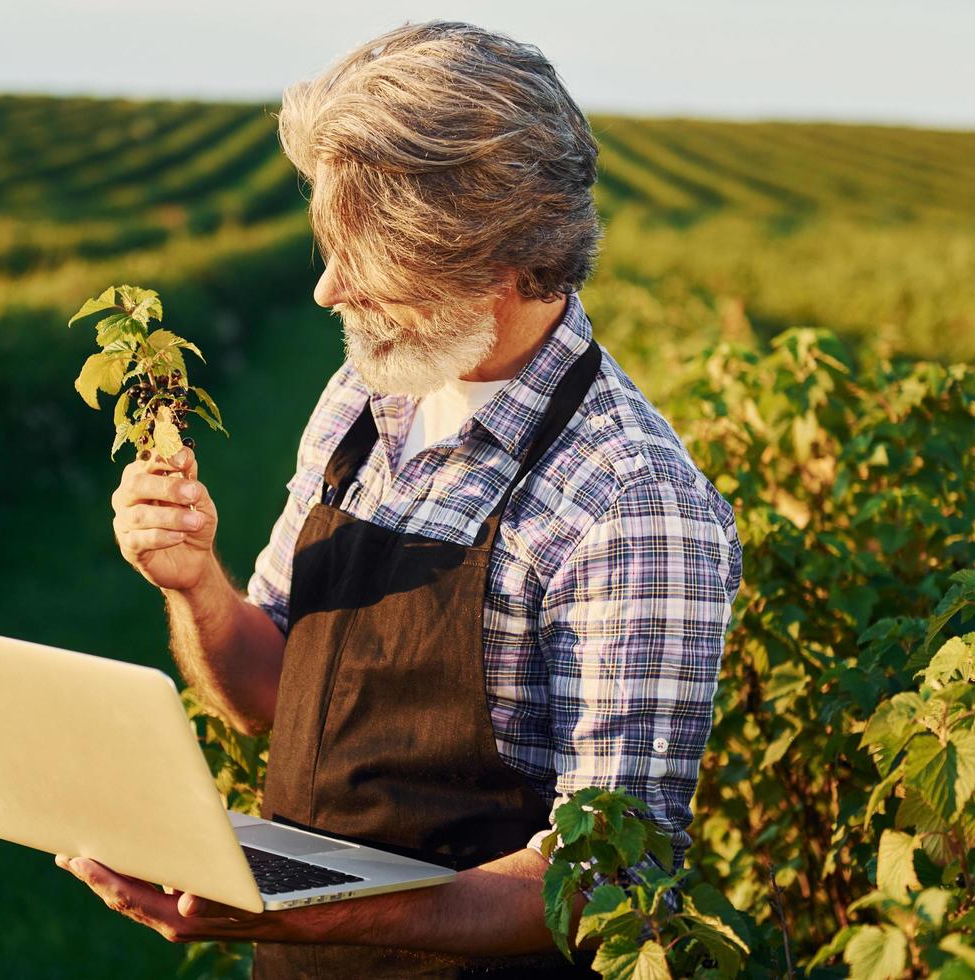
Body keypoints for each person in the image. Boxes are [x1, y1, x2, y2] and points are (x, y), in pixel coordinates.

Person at [57, 20, 742, 978]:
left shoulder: (631, 507)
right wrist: (196, 588)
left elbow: (607, 882)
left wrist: (317, 918)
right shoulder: (365, 397)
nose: (329, 291)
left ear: (497, 259)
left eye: (366, 258)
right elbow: (272, 697)